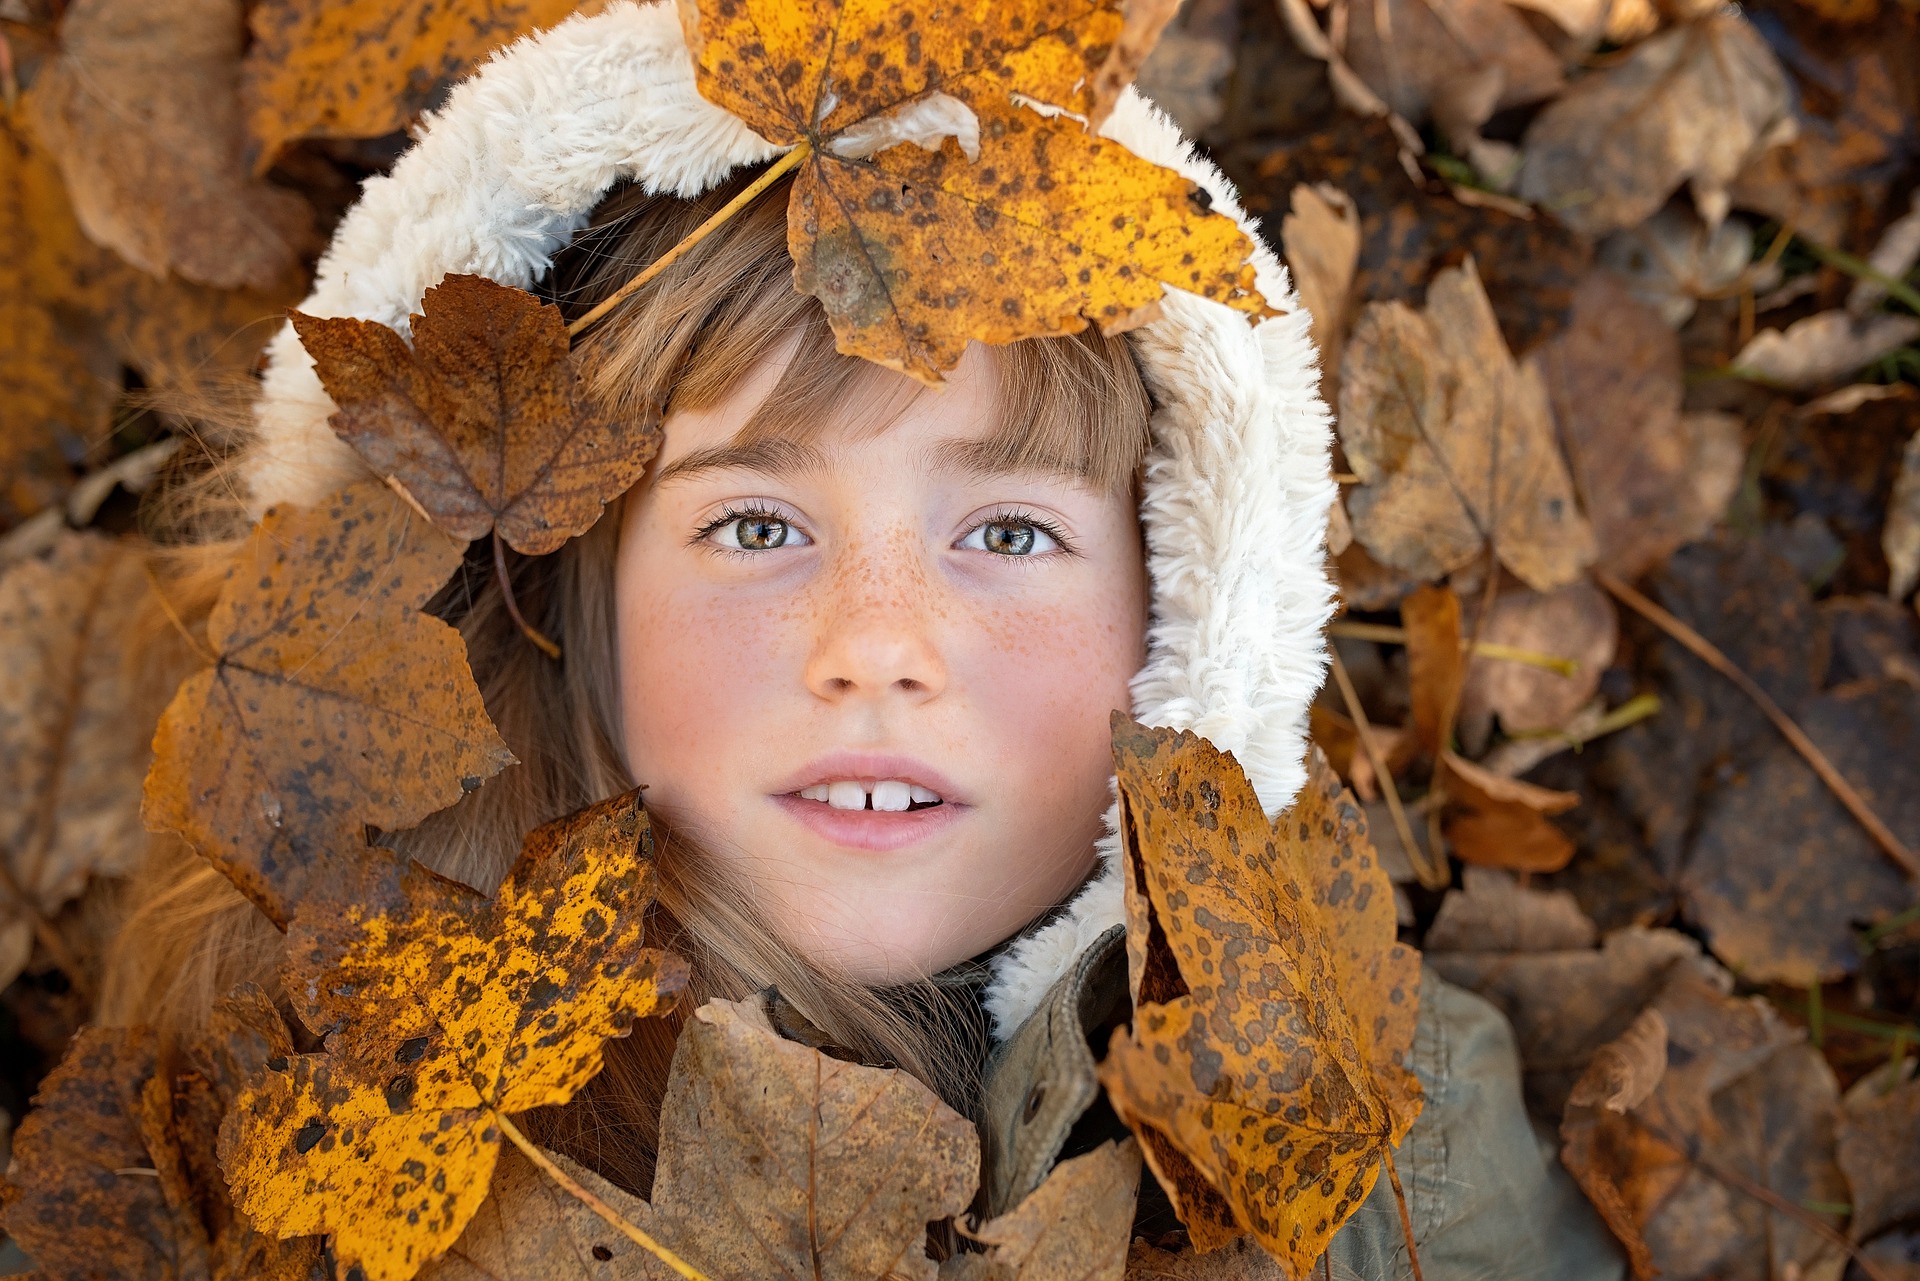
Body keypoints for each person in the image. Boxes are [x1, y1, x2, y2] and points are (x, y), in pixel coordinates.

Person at [99, 4, 1625, 1277]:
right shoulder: (312, 1104)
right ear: (556, 607)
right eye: (755, 527)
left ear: (1186, 612)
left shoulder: (1380, 1131)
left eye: (1010, 535)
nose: (877, 646)